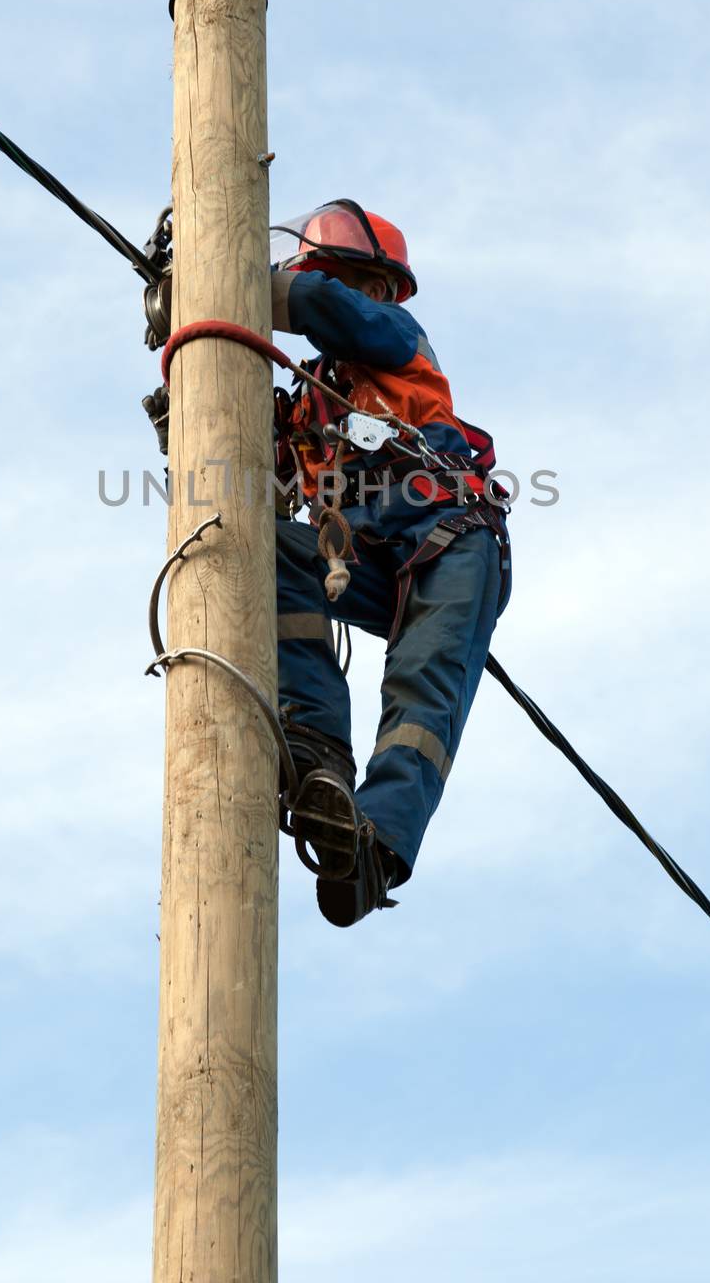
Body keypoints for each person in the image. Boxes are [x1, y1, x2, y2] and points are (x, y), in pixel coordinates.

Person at [144, 199, 511, 929]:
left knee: (423, 686)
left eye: (346, 282)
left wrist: (220, 283)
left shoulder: (398, 340)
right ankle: (317, 756)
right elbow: (258, 483)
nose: (340, 295)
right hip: (369, 562)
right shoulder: (307, 403)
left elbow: (314, 303)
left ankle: (375, 846)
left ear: (374, 289)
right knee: (267, 544)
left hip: (453, 543)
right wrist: (189, 408)